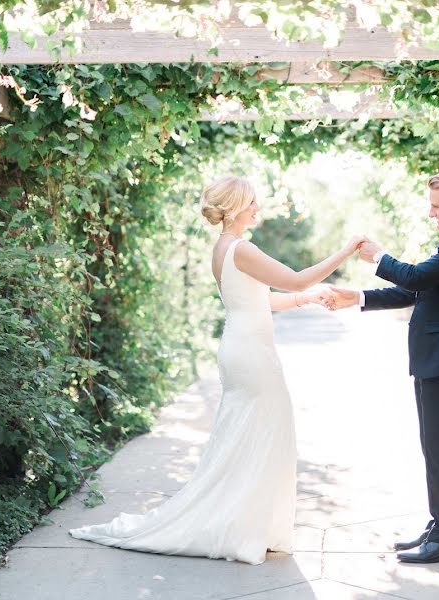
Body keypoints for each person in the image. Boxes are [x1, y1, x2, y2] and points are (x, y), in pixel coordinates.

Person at [69, 175, 364, 565]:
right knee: (262, 434)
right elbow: (295, 277)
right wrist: (345, 251)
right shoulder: (240, 248)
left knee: (253, 435)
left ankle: (251, 525)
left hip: (243, 345)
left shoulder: (224, 248)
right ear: (236, 206)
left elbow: (261, 302)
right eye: (253, 201)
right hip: (250, 353)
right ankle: (243, 528)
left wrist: (306, 299)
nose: (258, 207)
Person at [322, 170, 439, 564]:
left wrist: (378, 256)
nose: (430, 213)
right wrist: (358, 297)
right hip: (434, 357)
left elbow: (413, 276)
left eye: (435, 205)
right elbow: (415, 290)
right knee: (432, 445)